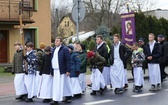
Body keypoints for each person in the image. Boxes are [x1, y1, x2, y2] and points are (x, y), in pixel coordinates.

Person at [50, 37, 73, 105]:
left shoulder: (64, 49)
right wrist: (51, 71)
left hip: (62, 70)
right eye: (55, 41)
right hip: (55, 70)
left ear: (61, 42)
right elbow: (52, 60)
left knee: (63, 84)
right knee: (59, 85)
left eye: (57, 41)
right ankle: (61, 97)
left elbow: (68, 60)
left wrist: (68, 70)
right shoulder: (54, 49)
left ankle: (60, 98)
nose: (56, 42)